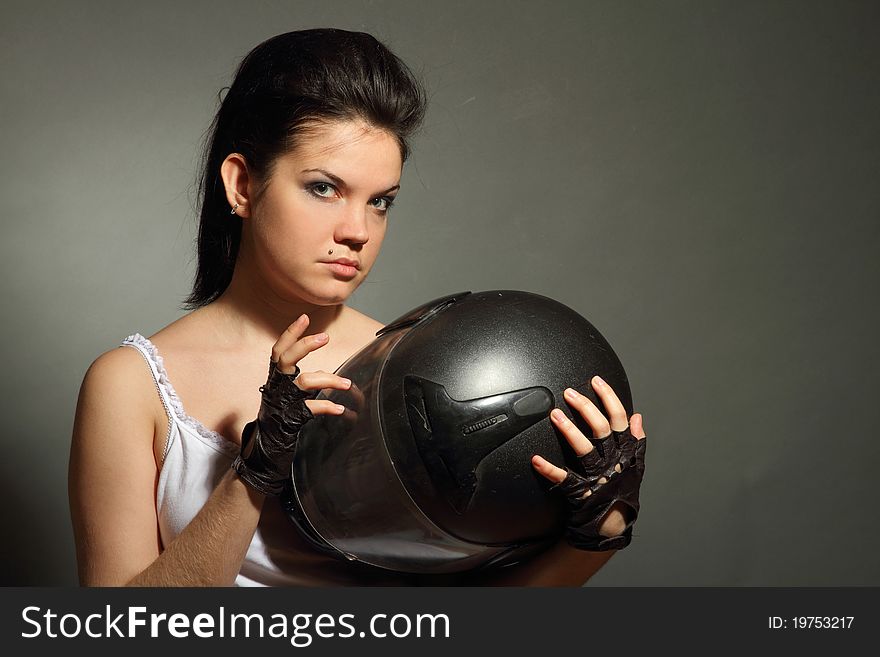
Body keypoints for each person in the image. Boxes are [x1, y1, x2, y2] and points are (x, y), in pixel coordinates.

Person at [68, 28, 647, 587]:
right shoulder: (131, 386)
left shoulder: (413, 363)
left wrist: (596, 535)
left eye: (381, 202)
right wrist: (256, 472)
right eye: (324, 188)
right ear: (242, 185)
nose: (357, 231)